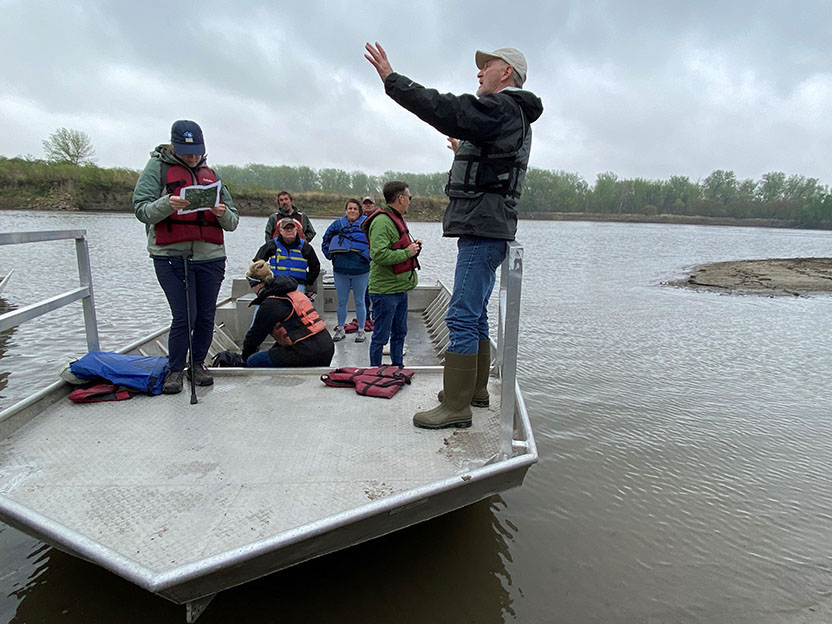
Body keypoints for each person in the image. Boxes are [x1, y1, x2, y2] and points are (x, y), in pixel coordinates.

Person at [365, 43, 543, 429]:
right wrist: (464, 150)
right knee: (475, 314)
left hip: (482, 230)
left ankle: (457, 407)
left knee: (460, 316)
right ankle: (474, 391)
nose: (479, 73)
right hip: (490, 227)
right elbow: (494, 164)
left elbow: (449, 109)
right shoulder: (511, 117)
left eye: (487, 66)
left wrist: (393, 82)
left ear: (506, 73)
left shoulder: (502, 108)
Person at [133, 120, 239, 394]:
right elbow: (142, 210)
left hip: (210, 258)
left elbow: (232, 221)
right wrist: (167, 204)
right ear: (174, 146)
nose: (193, 157)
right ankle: (175, 369)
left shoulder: (211, 174)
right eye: (186, 152)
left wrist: (221, 213)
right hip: (170, 257)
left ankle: (198, 364)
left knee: (205, 315)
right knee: (184, 316)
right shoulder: (156, 168)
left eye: (197, 152)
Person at [363, 181, 420, 367]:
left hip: (399, 289)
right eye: (409, 197)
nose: (410, 201)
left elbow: (395, 248)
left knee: (399, 333)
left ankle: (397, 368)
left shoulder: (395, 217)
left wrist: (413, 249)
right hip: (385, 291)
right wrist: (407, 253)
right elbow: (378, 255)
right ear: (400, 198)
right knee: (380, 336)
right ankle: (375, 372)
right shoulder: (381, 222)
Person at [241, 261, 334, 368]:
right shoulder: (293, 293)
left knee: (253, 360)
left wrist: (244, 358)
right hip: (327, 347)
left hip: (308, 353)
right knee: (274, 352)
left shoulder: (270, 304)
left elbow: (254, 337)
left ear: (257, 285)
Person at [321, 199, 370, 343]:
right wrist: (330, 256)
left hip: (361, 271)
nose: (352, 211)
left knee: (360, 301)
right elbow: (326, 240)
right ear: (346, 210)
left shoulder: (367, 223)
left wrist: (369, 259)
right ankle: (340, 329)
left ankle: (361, 330)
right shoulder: (337, 224)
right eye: (349, 208)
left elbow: (376, 242)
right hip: (340, 270)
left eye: (355, 208)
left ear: (359, 211)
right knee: (341, 302)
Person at [253, 217, 321, 294]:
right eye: (286, 228)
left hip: (297, 284)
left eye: (291, 228)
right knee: (262, 305)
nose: (289, 230)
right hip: (275, 284)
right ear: (280, 231)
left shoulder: (305, 247)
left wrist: (308, 281)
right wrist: (265, 280)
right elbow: (257, 263)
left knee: (298, 302)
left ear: (296, 230)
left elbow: (315, 266)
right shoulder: (272, 245)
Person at [361, 196, 377, 329]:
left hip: (376, 261)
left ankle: (376, 316)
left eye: (370, 203)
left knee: (376, 291)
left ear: (374, 205)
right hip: (362, 264)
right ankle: (365, 317)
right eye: (365, 204)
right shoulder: (357, 221)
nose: (367, 206)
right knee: (364, 292)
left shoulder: (379, 220)